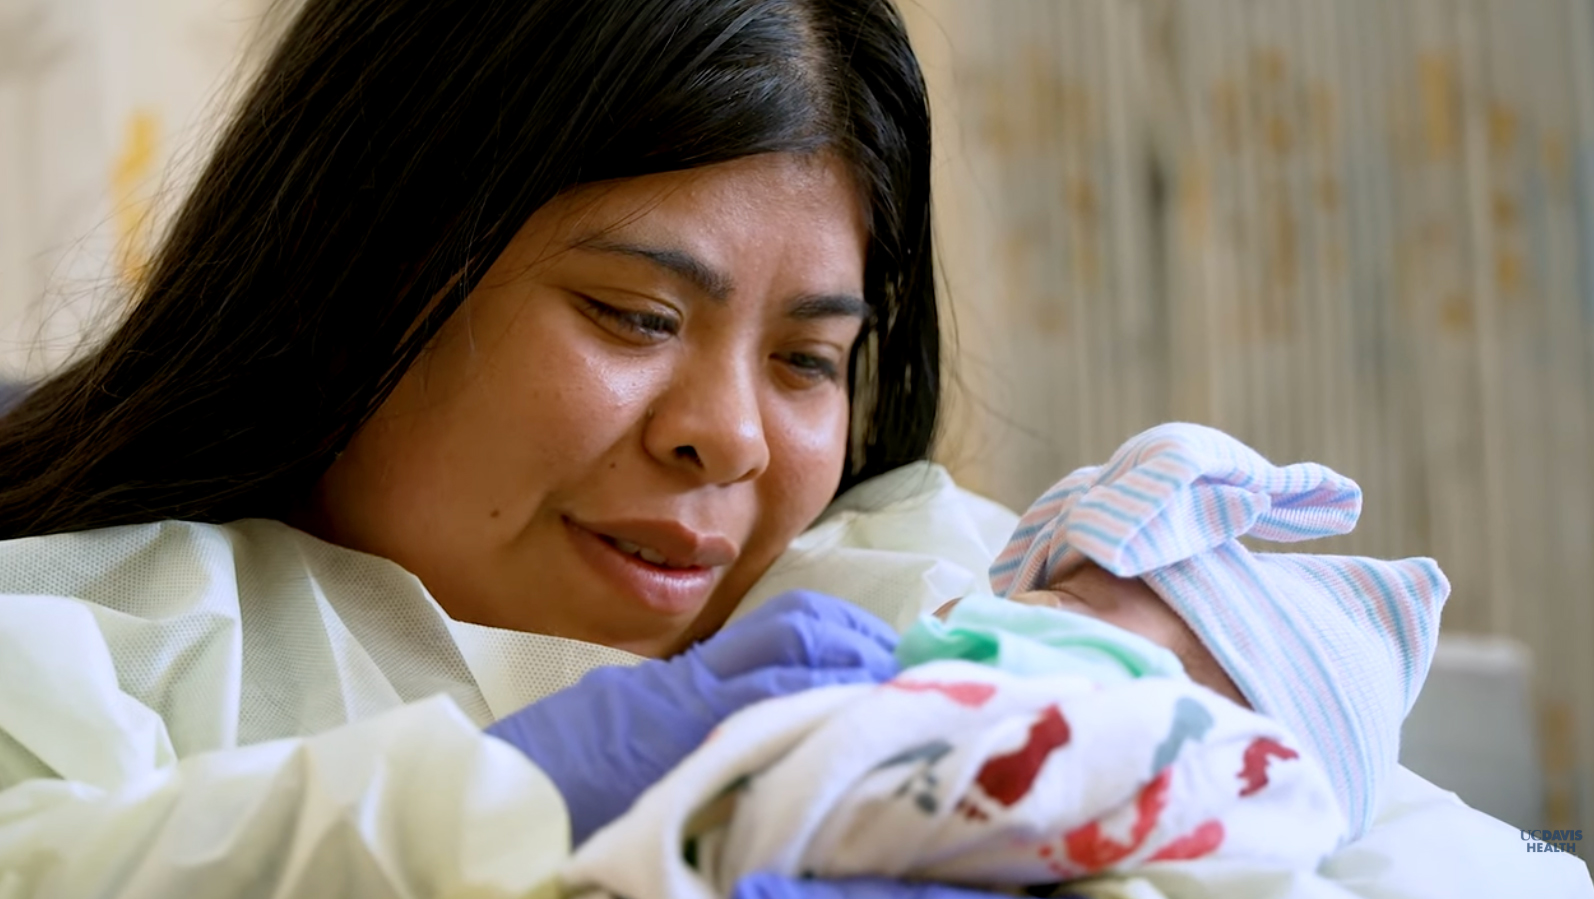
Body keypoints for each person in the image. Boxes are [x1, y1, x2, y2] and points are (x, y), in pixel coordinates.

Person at [0, 1, 1044, 897]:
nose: (729, 437)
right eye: (634, 314)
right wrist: (499, 797)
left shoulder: (928, 587)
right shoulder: (73, 654)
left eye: (807, 358)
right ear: (362, 267)